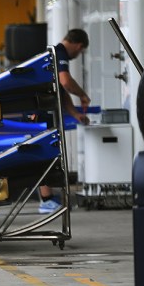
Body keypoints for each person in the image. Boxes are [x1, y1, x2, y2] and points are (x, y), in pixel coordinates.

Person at [38, 28, 91, 214]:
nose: (78, 54)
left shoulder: (53, 52)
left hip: (44, 109)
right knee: (44, 152)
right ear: (79, 46)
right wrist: (83, 94)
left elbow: (61, 91)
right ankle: (46, 200)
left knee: (49, 152)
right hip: (40, 111)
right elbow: (65, 81)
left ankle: (48, 197)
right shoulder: (59, 52)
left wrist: (75, 114)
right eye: (81, 51)